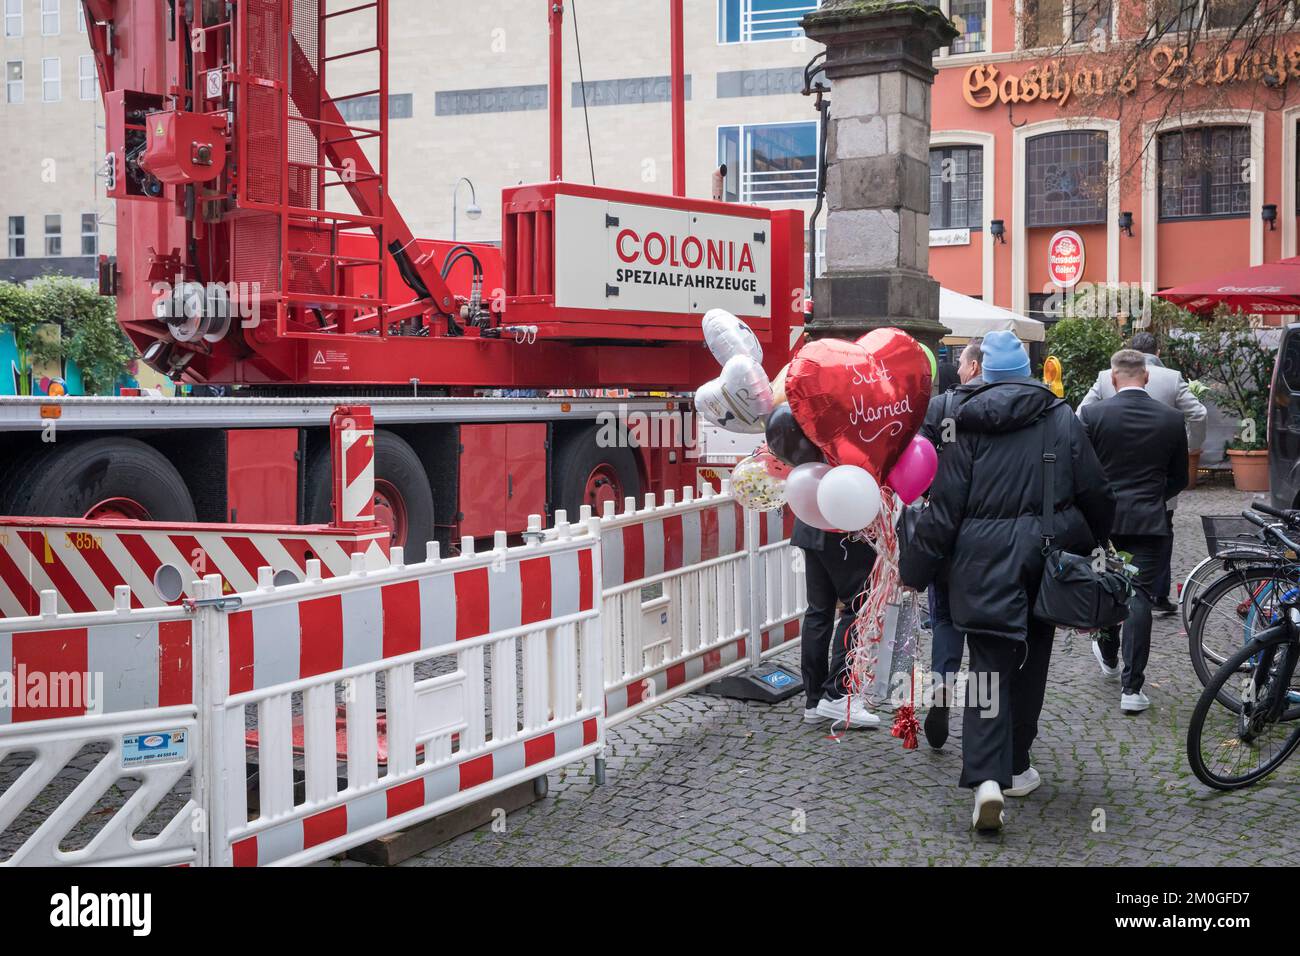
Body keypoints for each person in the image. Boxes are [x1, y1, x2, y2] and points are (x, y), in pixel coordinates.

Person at [900, 330, 1115, 831]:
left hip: (978, 565)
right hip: (1045, 558)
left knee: (989, 668)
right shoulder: (1059, 416)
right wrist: (1097, 541)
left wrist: (915, 569)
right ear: (1027, 370)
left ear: (982, 372)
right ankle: (1017, 765)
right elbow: (1097, 492)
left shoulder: (959, 423)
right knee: (1033, 659)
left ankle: (986, 781)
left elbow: (944, 510)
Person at [1080, 349, 1189, 714]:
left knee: (1108, 588)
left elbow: (1083, 473)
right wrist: (1154, 497)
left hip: (1104, 523)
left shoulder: (1094, 415)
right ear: (1146, 377)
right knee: (1139, 596)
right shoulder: (1172, 419)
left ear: (1113, 379)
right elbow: (1180, 478)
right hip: (1150, 520)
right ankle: (1132, 687)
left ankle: (1109, 653)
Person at [1078, 331, 1205, 615]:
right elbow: (1199, 415)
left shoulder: (1103, 378)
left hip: (1107, 497)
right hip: (1153, 491)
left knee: (1106, 566)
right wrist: (1191, 447)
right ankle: (1156, 593)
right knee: (1157, 545)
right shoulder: (1172, 379)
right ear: (1154, 355)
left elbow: (1079, 419)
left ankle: (1109, 618)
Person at [917, 337, 984, 749]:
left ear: (975, 367)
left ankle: (942, 683)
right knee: (988, 626)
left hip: (947, 530)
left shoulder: (943, 407)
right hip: (998, 537)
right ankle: (985, 717)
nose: (957, 369)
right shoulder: (1020, 408)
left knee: (944, 619)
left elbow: (919, 458)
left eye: (961, 362)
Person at [792, 519, 882, 729]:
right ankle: (838, 694)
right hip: (844, 528)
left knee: (818, 611)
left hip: (812, 524)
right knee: (858, 606)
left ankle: (815, 700)